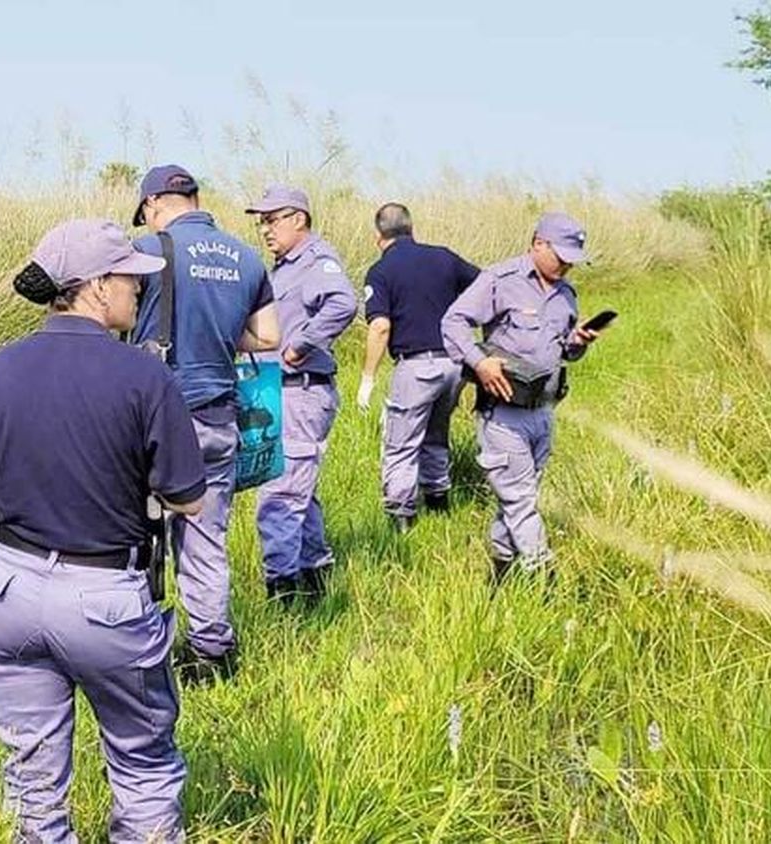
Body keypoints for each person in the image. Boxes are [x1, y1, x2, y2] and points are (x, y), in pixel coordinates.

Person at [0, 218, 208, 843]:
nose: (139, 291)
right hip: (106, 602)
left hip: (8, 593)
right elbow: (190, 501)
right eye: (129, 279)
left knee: (33, 781)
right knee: (142, 764)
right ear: (94, 287)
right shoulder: (146, 378)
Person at [128, 164, 280, 682]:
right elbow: (268, 337)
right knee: (204, 538)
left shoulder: (148, 251)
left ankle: (140, 642)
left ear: (152, 206)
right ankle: (213, 651)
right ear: (195, 199)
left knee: (136, 532)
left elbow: (118, 319)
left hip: (156, 418)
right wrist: (216, 337)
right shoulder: (247, 255)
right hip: (219, 415)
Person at [440, 212, 603, 582]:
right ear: (537, 244)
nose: (566, 267)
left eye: (572, 261)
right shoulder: (501, 280)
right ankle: (545, 579)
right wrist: (480, 363)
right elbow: (453, 321)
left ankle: (500, 571)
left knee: (518, 497)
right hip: (503, 412)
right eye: (560, 257)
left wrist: (577, 343)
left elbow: (562, 352)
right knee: (520, 500)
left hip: (543, 411)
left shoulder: (566, 296)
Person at [242, 185, 357, 605]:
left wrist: (300, 345)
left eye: (272, 220)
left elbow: (343, 303)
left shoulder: (315, 261)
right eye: (262, 222)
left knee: (280, 493)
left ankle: (283, 590)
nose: (265, 229)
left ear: (298, 219)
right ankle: (314, 572)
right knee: (298, 489)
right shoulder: (283, 267)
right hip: (280, 393)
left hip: (300, 393)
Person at [357, 203, 481, 532]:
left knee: (400, 443)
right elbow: (485, 287)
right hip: (455, 364)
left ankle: (402, 520)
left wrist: (367, 377)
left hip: (416, 366)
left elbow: (380, 326)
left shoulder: (380, 272)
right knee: (437, 434)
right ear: (412, 229)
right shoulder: (444, 257)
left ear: (378, 236)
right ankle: (439, 504)